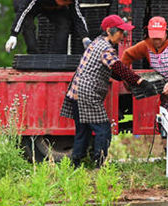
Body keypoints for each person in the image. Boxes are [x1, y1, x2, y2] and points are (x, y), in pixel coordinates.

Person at [61, 15, 143, 167]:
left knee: (82, 131)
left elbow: (110, 70)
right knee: (103, 130)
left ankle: (75, 164)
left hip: (76, 93)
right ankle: (98, 165)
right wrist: (138, 81)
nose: (122, 36)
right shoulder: (106, 49)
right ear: (109, 31)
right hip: (87, 94)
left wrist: (125, 78)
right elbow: (119, 68)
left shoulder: (95, 43)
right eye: (120, 32)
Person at [5, 0, 91, 54]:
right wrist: (14, 35)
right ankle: (33, 54)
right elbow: (23, 11)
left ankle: (57, 55)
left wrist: (85, 37)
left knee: (64, 23)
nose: (64, 5)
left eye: (67, 4)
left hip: (48, 5)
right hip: (27, 2)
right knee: (28, 24)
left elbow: (78, 16)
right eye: (62, 3)